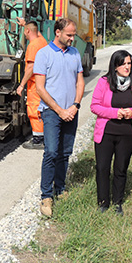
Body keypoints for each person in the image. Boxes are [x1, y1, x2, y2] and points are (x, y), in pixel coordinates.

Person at [34, 18, 85, 217]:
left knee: (65, 153)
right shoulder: (44, 54)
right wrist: (59, 110)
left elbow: (80, 82)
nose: (73, 38)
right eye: (69, 35)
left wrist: (75, 105)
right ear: (58, 33)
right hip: (51, 112)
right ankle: (46, 196)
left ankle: (60, 189)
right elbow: (40, 87)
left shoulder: (75, 53)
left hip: (71, 111)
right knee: (52, 152)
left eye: (73, 35)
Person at [90, 50, 132, 216]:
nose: (127, 67)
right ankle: (103, 203)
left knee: (120, 168)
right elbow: (94, 106)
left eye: (129, 63)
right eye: (123, 63)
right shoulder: (104, 82)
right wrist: (114, 113)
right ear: (115, 66)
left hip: (128, 134)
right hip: (106, 133)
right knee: (102, 167)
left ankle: (117, 202)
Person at [16, 19, 47, 149]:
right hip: (43, 82)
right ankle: (43, 136)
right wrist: (25, 24)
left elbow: (31, 67)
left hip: (34, 84)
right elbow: (36, 33)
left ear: (28, 31)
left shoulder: (33, 46)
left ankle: (38, 140)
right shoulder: (42, 41)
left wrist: (21, 84)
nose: (24, 34)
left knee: (34, 110)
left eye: (25, 31)